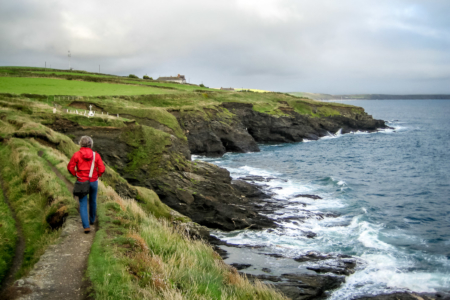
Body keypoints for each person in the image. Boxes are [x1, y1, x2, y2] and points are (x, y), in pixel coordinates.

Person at [67, 136, 105, 233]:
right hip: (93, 181)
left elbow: (70, 167)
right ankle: (92, 220)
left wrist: (76, 174)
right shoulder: (96, 155)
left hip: (82, 182)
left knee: (83, 204)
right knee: (93, 201)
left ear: (80, 144)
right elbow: (102, 169)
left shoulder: (76, 155)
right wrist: (97, 176)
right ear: (91, 144)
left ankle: (86, 226)